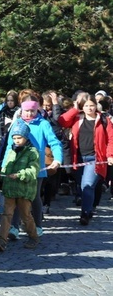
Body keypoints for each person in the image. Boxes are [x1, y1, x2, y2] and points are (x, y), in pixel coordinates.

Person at [3, 99, 62, 239]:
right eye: (26, 110)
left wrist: (57, 159)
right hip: (17, 167)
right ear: (21, 110)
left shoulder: (43, 124)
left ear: (37, 111)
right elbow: (8, 147)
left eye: (32, 111)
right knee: (16, 195)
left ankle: (38, 226)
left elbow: (54, 142)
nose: (29, 113)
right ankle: (14, 227)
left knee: (34, 197)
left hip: (36, 168)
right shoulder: (16, 124)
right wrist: (5, 166)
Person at [58, 95, 113, 225]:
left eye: (91, 105)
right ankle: (90, 208)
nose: (89, 108)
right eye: (86, 105)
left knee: (87, 185)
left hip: (96, 158)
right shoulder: (77, 118)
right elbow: (61, 121)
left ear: (96, 106)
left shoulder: (104, 119)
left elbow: (111, 138)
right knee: (83, 187)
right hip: (78, 158)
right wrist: (75, 108)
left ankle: (85, 214)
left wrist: (110, 155)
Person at [0, 121, 40, 251]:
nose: (17, 141)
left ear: (26, 137)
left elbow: (33, 170)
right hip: (10, 189)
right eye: (14, 138)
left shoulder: (32, 152)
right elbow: (6, 167)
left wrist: (20, 174)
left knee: (26, 215)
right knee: (6, 214)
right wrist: (0, 175)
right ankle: (2, 240)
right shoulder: (11, 151)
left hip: (25, 190)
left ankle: (33, 236)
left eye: (19, 138)